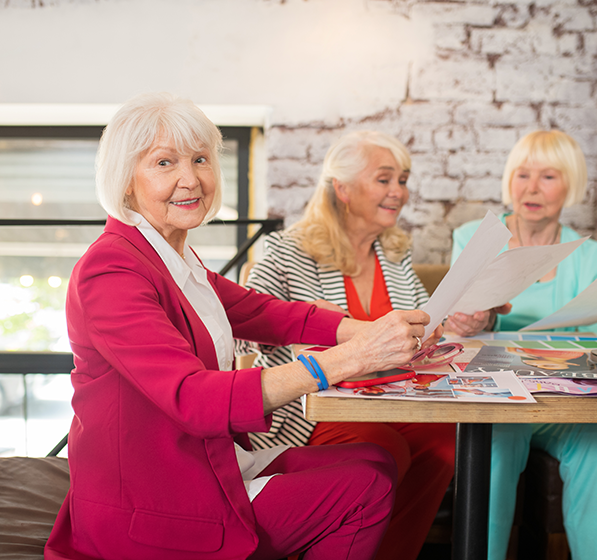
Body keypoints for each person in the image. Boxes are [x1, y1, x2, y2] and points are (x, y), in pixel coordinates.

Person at [44, 93, 444, 560]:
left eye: (199, 159)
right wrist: (351, 357)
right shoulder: (111, 269)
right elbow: (193, 398)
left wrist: (369, 330)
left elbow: (266, 313)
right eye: (164, 162)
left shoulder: (171, 256)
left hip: (203, 464)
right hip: (153, 503)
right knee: (365, 487)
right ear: (125, 182)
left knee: (377, 458)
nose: (190, 179)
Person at [238, 130, 456, 560]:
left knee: (443, 441)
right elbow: (243, 330)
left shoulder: (396, 254)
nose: (399, 192)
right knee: (385, 449)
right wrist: (302, 318)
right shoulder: (284, 250)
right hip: (311, 406)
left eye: (404, 180)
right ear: (342, 188)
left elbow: (421, 322)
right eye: (385, 179)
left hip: (392, 398)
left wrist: (436, 329)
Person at [449, 129, 597, 560]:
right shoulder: (474, 238)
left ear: (570, 185)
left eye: (548, 177)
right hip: (497, 395)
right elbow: (456, 319)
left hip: (570, 398)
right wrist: (471, 318)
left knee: (596, 440)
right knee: (494, 449)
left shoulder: (589, 254)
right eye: (522, 175)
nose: (531, 188)